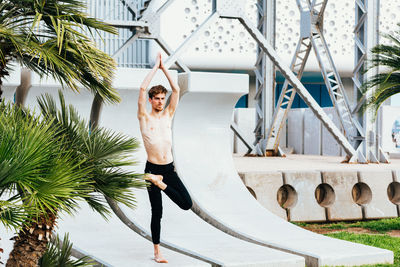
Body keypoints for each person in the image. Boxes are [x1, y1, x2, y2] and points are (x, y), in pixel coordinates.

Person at [138, 53, 193, 263]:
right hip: (151, 169)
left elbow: (177, 90)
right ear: (151, 101)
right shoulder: (144, 116)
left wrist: (165, 69)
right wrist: (155, 68)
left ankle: (159, 184)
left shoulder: (169, 114)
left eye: (163, 98)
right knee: (157, 212)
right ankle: (157, 252)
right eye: (157, 99)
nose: (161, 102)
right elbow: (143, 89)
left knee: (186, 204)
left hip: (168, 170)